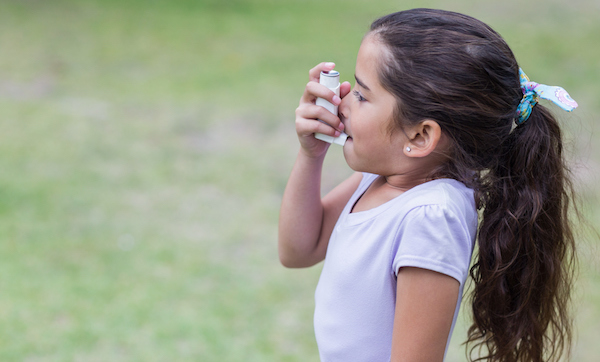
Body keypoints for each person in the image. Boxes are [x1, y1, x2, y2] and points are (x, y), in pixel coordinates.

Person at [278, 8, 578, 362]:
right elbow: (299, 250)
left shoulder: (431, 217)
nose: (341, 102)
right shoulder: (382, 178)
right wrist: (311, 155)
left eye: (361, 94)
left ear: (420, 137)